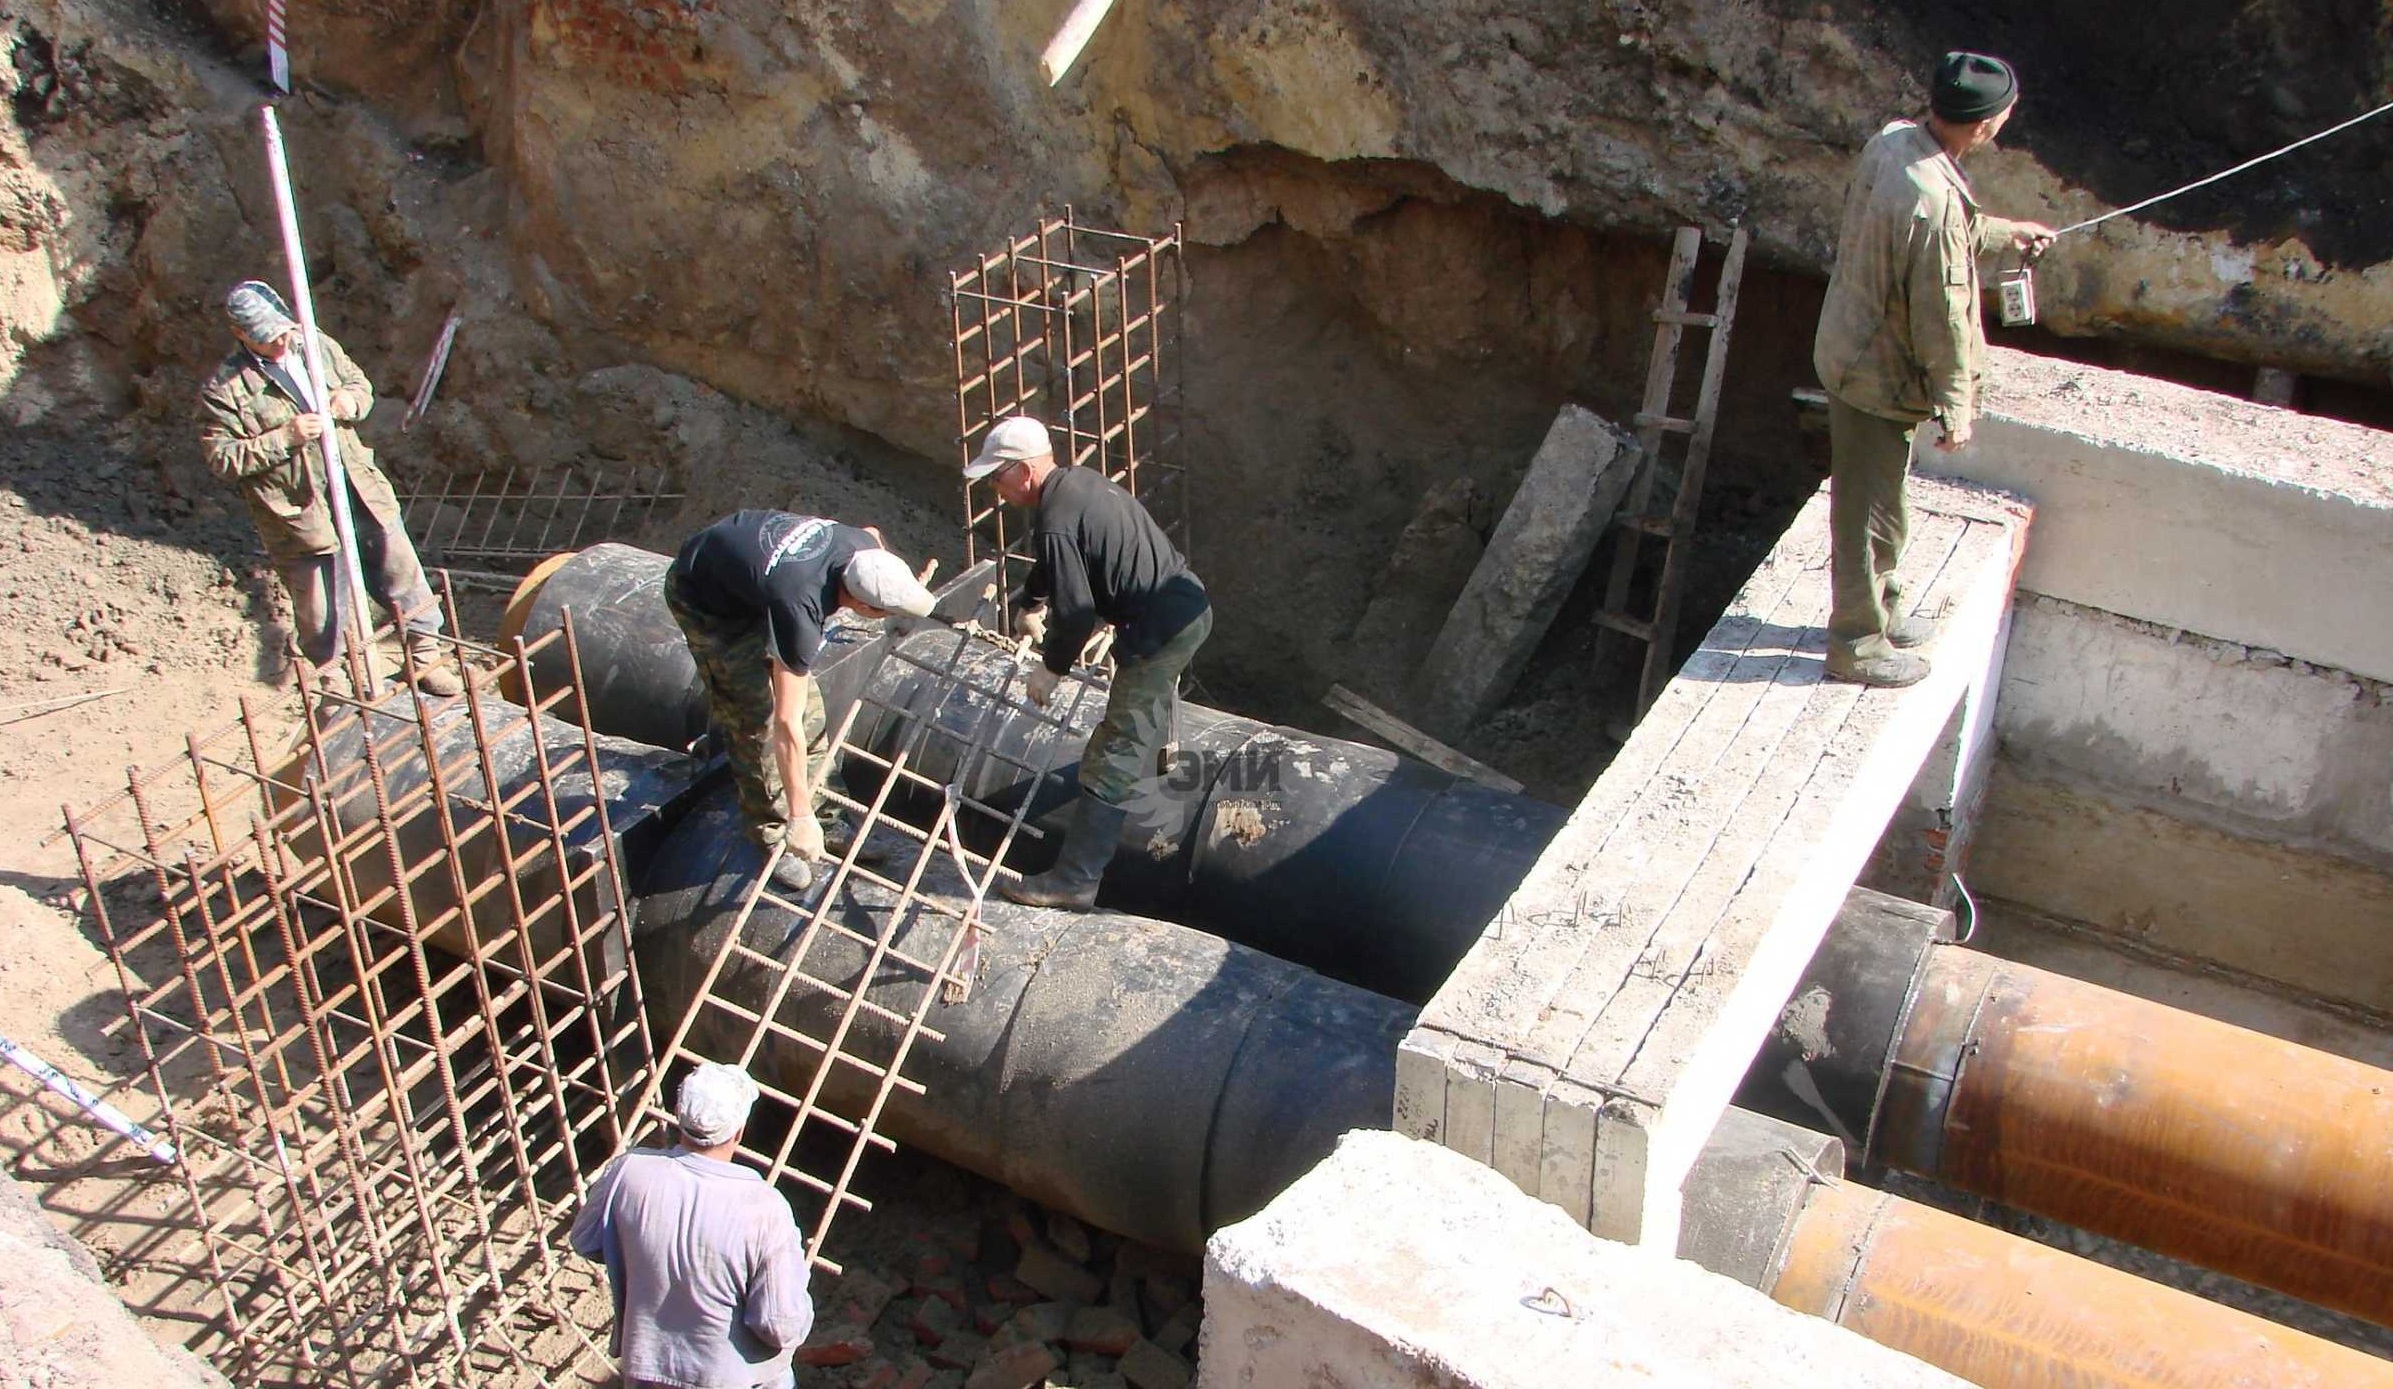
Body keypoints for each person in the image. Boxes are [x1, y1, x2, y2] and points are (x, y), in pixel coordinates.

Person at [1812, 52, 2055, 687]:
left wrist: (2003, 234)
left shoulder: (1895, 143)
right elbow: (1942, 317)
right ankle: (1857, 643)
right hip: (1878, 374)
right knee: (1865, 513)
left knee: (1881, 501)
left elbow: (1937, 231)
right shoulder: (1932, 201)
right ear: (1985, 125)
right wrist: (1957, 405)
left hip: (1853, 348)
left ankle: (1881, 610)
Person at [966, 416, 1212, 909]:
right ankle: (1166, 760)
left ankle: (1075, 879)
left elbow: (1076, 614)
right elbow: (1060, 560)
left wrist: (1049, 669)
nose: (994, 487)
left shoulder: (1054, 516)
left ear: (1025, 472)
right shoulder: (1077, 484)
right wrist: (1031, 600)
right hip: (1188, 608)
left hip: (1159, 629)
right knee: (1149, 691)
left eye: (998, 476)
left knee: (1114, 748)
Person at [199, 281, 463, 696]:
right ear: (240, 335)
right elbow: (222, 458)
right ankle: (337, 683)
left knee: (401, 571)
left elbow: (361, 387)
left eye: (283, 330)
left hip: (356, 484)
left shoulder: (315, 346)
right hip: (298, 510)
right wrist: (284, 437)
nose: (281, 341)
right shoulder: (226, 390)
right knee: (320, 608)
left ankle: (425, 656)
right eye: (268, 338)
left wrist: (348, 403)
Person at [665, 510, 936, 890]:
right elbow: (784, 723)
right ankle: (773, 833)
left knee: (813, 714)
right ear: (862, 606)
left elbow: (873, 529)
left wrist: (904, 602)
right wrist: (798, 815)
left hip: (753, 577)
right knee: (756, 719)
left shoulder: (863, 547)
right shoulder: (800, 606)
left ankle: (828, 815)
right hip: (707, 601)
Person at [570, 1062, 814, 1389]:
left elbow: (585, 1240)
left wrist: (643, 1253)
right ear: (739, 1131)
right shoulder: (764, 1207)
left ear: (678, 1115)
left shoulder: (628, 1172)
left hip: (647, 1370)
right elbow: (778, 1324)